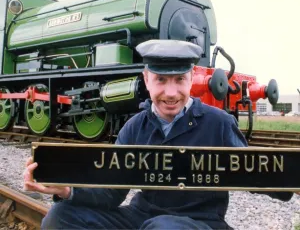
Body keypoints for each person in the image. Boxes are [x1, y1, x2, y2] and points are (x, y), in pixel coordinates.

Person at [24, 40, 293, 229]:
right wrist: (68, 190)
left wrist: (290, 176)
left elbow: (256, 170)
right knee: (61, 216)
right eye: (161, 80)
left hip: (199, 222)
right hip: (142, 217)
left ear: (191, 78)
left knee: (163, 228)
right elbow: (110, 193)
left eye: (179, 80)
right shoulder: (134, 127)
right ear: (146, 80)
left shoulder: (218, 123)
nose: (171, 93)